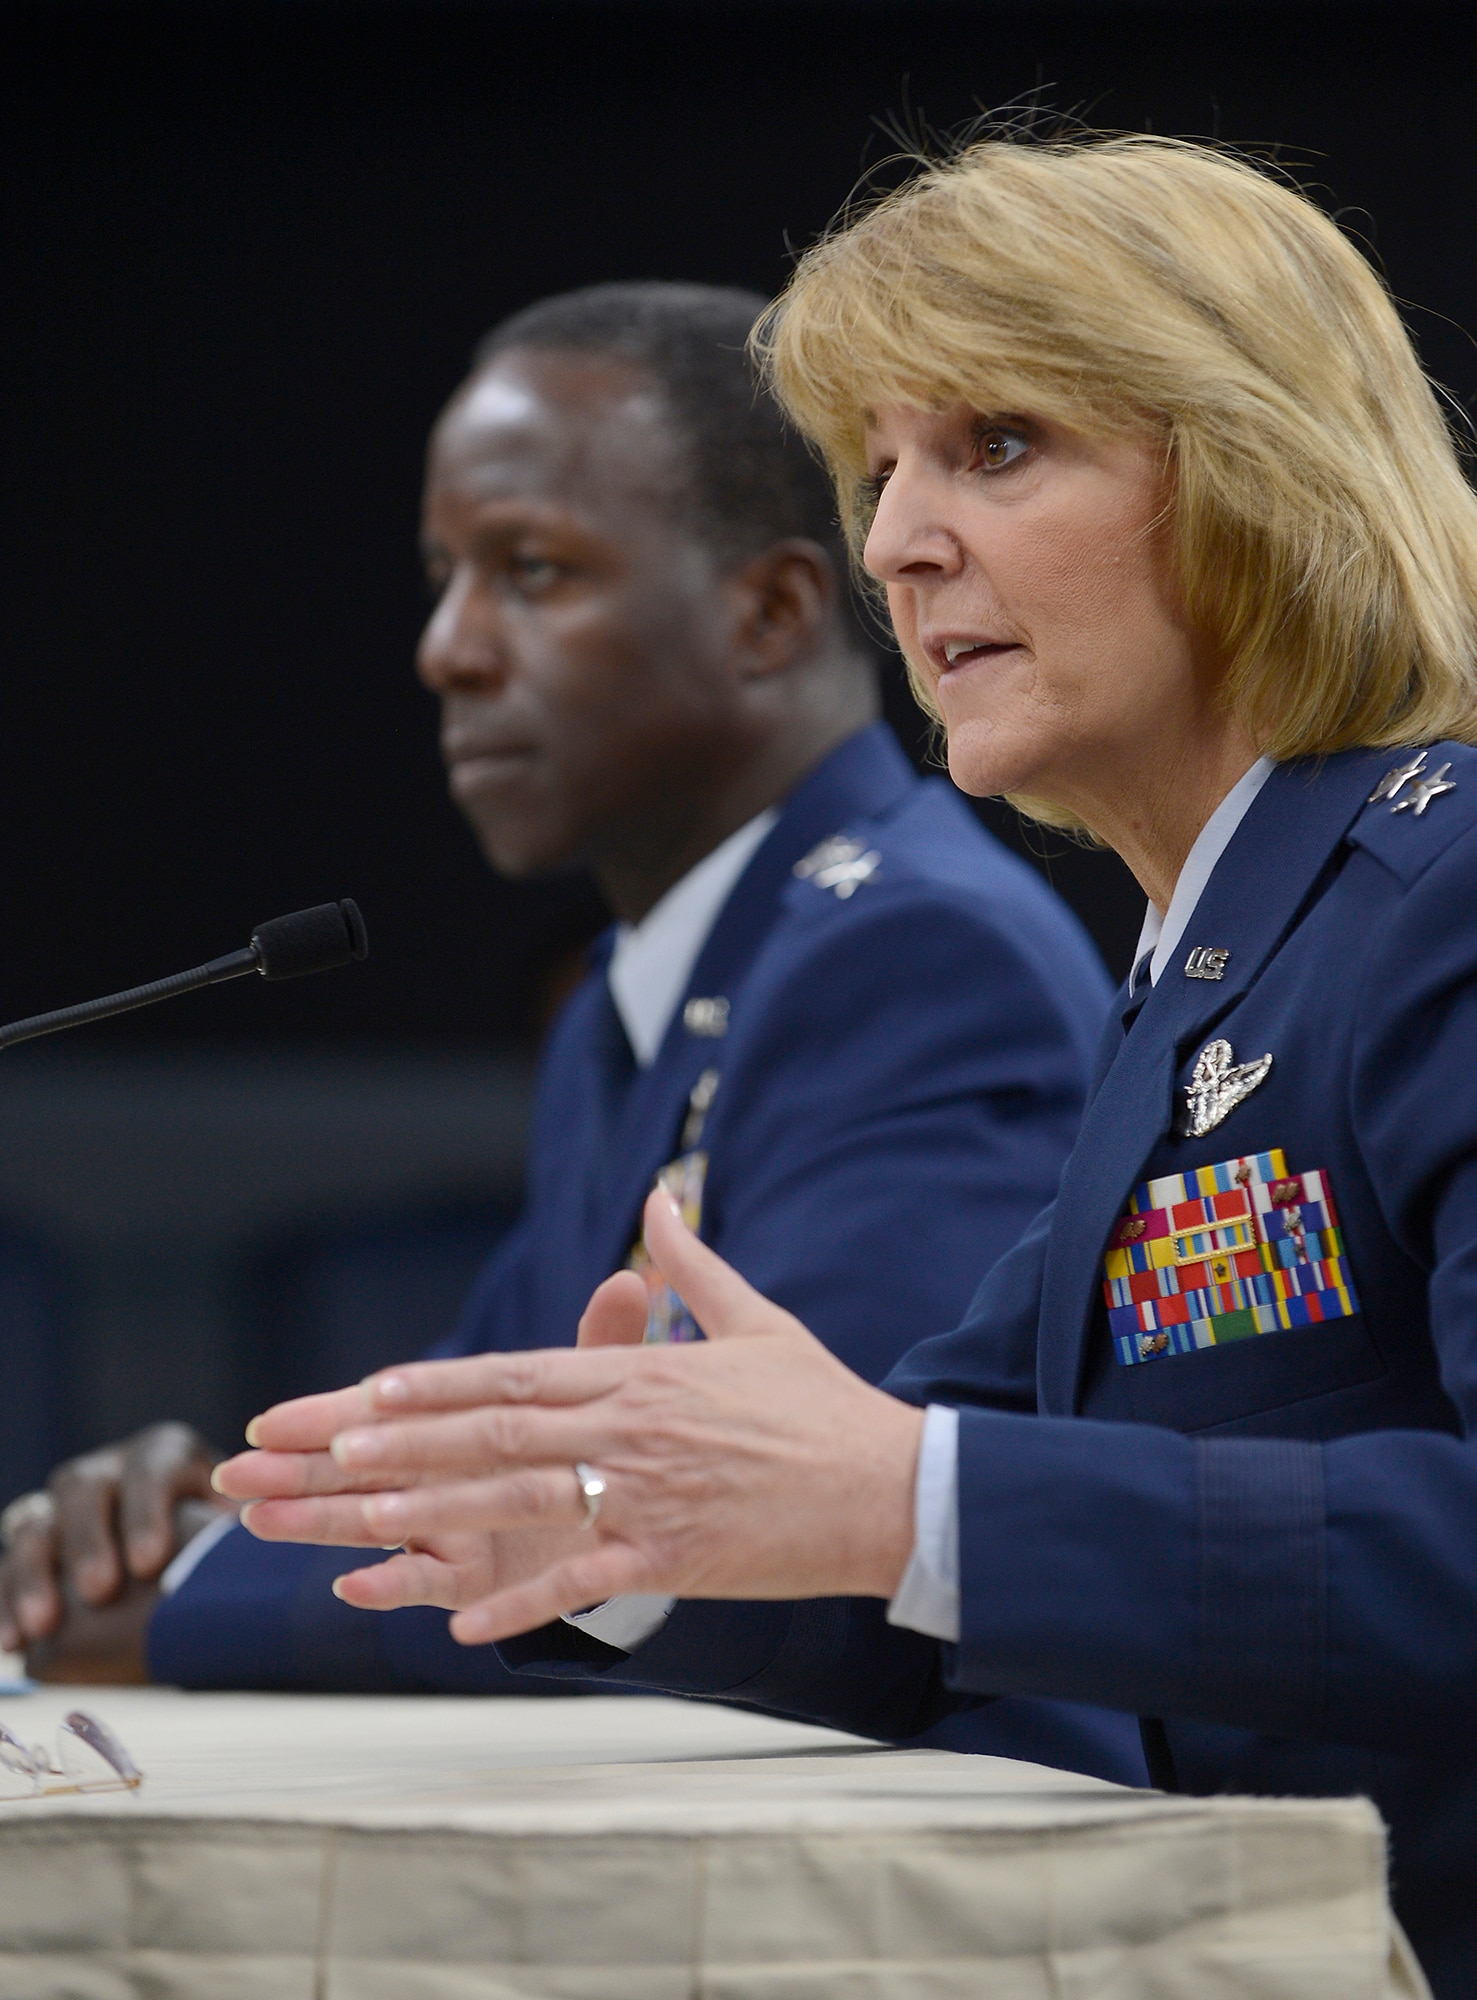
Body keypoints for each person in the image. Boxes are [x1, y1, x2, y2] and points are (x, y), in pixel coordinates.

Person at [222, 139, 1477, 1992]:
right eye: (879, 467)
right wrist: (616, 1532)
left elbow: (946, 1503)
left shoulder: (1441, 892)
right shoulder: (1215, 952)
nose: (893, 536)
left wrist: (908, 1496)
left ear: (1253, 478)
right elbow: (931, 1567)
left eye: (994, 445)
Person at [0, 281, 1141, 1778]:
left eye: (530, 571)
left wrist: (178, 1602)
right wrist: (213, 1506)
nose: (447, 649)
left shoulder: (910, 958)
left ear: (770, 613)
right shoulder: (644, 983)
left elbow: (753, 1552)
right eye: (442, 575)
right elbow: (478, 1453)